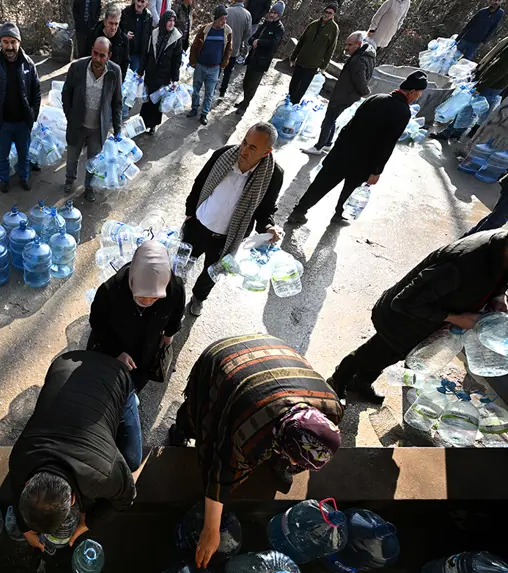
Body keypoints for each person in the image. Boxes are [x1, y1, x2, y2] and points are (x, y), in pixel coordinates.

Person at [170, 334, 343, 567]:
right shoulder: (250, 428)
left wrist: (289, 463)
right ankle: (179, 431)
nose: (298, 467)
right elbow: (221, 467)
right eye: (294, 460)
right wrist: (211, 529)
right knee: (202, 414)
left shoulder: (331, 409)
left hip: (274, 355)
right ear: (280, 442)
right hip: (227, 361)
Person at [330, 230, 508, 404]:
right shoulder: (461, 265)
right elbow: (404, 302)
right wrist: (455, 318)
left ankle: (360, 382)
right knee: (374, 353)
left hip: (425, 323)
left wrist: (498, 297)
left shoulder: (500, 249)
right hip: (401, 320)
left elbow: (502, 278)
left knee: (392, 356)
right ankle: (337, 381)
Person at [8, 351, 140, 550]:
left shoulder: (105, 471)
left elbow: (127, 497)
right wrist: (25, 529)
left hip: (114, 376)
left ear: (72, 499)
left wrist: (89, 521)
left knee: (132, 461)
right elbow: (15, 487)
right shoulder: (20, 457)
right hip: (63, 364)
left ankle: (129, 395)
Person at [286, 70, 427, 226]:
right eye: (418, 95)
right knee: (350, 188)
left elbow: (349, 126)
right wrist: (376, 170)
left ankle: (299, 211)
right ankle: (339, 214)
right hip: (364, 161)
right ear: (412, 92)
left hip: (342, 152)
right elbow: (387, 143)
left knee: (322, 183)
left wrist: (336, 150)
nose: (417, 98)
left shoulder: (375, 98)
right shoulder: (402, 112)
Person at [181, 123, 284, 316]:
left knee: (211, 273)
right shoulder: (224, 155)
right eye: (244, 142)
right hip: (198, 224)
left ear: (266, 151)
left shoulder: (274, 175)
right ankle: (175, 291)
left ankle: (198, 298)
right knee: (182, 261)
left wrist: (269, 227)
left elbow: (265, 209)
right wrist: (189, 213)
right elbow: (200, 182)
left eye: (252, 148)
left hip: (226, 237)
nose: (243, 150)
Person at [88, 241, 186, 391]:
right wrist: (116, 353)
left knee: (134, 387)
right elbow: (97, 323)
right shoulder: (111, 290)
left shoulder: (175, 289)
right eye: (140, 296)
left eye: (154, 298)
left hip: (147, 351)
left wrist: (169, 334)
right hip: (112, 347)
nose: (147, 302)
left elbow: (175, 314)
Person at [0, 23, 42, 193]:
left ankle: (24, 178)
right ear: (0, 43)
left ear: (19, 42)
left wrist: (33, 114)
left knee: (24, 154)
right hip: (2, 122)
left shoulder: (28, 64)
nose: (9, 46)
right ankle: (4, 180)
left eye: (13, 42)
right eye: (5, 42)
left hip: (23, 121)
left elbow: (36, 91)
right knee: (3, 155)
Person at [62, 38, 123, 202]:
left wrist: (118, 130)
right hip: (78, 124)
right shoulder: (77, 67)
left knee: (94, 160)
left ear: (109, 56)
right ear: (91, 50)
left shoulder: (115, 72)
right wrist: (70, 115)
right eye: (95, 53)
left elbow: (117, 102)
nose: (97, 58)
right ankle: (69, 180)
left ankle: (89, 187)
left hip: (98, 128)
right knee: (72, 155)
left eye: (102, 56)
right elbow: (66, 93)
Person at [302, 31, 374, 156]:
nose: (346, 48)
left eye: (350, 45)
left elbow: (360, 81)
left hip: (344, 96)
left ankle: (318, 147)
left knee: (328, 120)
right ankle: (328, 143)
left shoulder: (358, 61)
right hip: (348, 95)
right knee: (333, 118)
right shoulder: (368, 55)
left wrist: (365, 92)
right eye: (346, 44)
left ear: (359, 44)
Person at [235, 2, 285, 112]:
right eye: (271, 12)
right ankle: (244, 100)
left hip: (262, 61)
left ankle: (245, 106)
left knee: (252, 85)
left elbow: (273, 43)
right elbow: (252, 37)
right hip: (252, 57)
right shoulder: (265, 24)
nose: (272, 14)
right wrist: (253, 41)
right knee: (246, 82)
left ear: (279, 15)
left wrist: (260, 42)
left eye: (275, 13)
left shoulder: (279, 29)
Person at [187, 6, 232, 125]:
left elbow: (228, 50)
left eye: (225, 19)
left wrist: (223, 65)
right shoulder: (204, 30)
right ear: (216, 19)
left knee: (209, 93)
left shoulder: (227, 31)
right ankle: (194, 109)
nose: (224, 22)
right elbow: (195, 46)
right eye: (222, 19)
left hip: (214, 68)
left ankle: (204, 114)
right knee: (196, 89)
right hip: (200, 66)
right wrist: (193, 62)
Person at [140, 9, 183, 133]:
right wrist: (140, 70)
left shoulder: (176, 38)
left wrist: (175, 79)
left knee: (157, 101)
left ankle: (152, 125)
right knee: (147, 100)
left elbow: (176, 61)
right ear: (164, 21)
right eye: (169, 20)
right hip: (150, 73)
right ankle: (143, 123)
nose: (171, 23)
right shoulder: (154, 33)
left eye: (173, 21)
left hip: (163, 77)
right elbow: (146, 54)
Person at [288, 4, 339, 104]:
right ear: (323, 12)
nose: (327, 14)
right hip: (301, 59)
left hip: (313, 64)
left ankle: (294, 104)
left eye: (330, 13)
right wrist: (293, 57)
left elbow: (331, 49)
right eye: (326, 12)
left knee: (302, 87)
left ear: (333, 15)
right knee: (293, 83)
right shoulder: (313, 24)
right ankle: (288, 101)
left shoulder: (334, 28)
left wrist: (324, 66)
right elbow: (301, 41)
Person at [220, 0, 252, 99]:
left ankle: (212, 88)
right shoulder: (247, 15)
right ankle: (222, 91)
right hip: (234, 48)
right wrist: (239, 40)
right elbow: (248, 33)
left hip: (222, 47)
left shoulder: (227, 11)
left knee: (217, 68)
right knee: (228, 71)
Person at [90, 4, 130, 77]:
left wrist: (120, 80)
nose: (113, 27)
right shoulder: (93, 35)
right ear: (105, 22)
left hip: (113, 79)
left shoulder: (124, 40)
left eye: (116, 24)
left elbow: (125, 62)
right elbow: (85, 57)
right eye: (111, 23)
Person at [121, 0, 154, 76]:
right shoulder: (126, 12)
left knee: (133, 79)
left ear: (146, 3)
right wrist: (125, 35)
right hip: (125, 52)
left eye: (142, 2)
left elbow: (148, 38)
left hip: (138, 54)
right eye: (138, 0)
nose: (139, 4)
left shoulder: (148, 16)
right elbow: (118, 30)